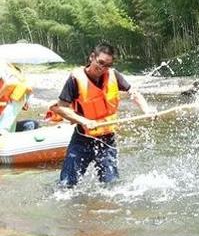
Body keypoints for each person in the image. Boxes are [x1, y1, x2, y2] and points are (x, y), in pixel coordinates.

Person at [50, 43, 156, 187]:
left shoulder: (113, 75)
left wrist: (146, 109)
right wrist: (83, 120)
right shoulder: (75, 79)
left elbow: (134, 93)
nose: (102, 68)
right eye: (100, 63)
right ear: (92, 57)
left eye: (107, 65)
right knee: (66, 185)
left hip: (107, 140)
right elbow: (61, 107)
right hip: (82, 139)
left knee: (111, 185)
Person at [0, 60, 38, 133]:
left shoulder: (3, 67)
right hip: (20, 93)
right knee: (11, 118)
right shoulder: (12, 69)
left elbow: (9, 83)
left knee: (4, 126)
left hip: (17, 93)